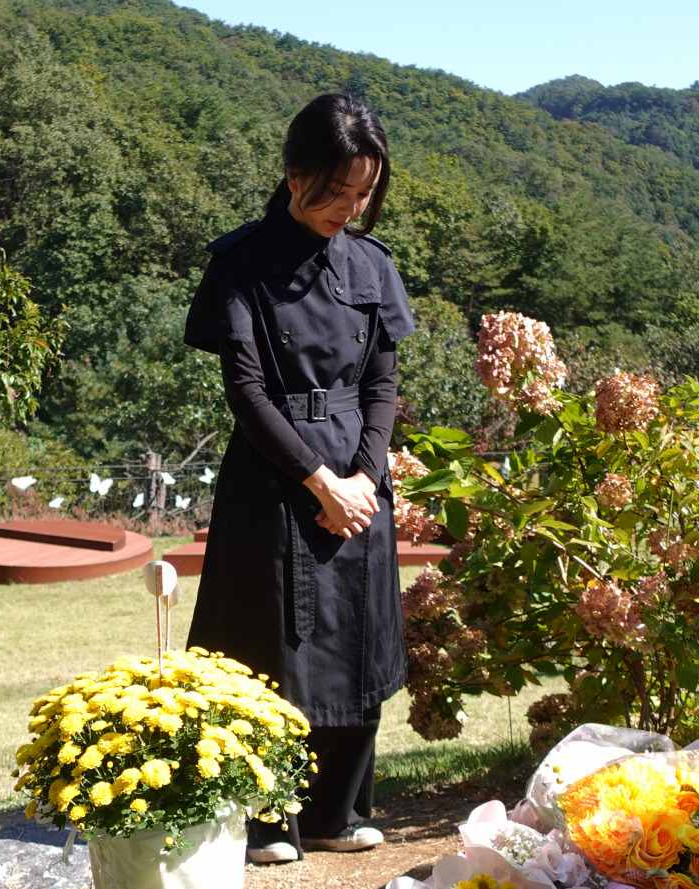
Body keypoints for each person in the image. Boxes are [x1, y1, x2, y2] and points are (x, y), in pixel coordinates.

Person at [183, 93, 413, 864]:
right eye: (337, 190)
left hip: (357, 472)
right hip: (276, 476)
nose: (350, 208)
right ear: (294, 176)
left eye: (364, 193)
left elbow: (382, 384)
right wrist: (320, 480)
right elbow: (247, 392)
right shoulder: (241, 263)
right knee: (271, 646)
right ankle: (265, 820)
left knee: (357, 640)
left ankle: (335, 813)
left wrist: (367, 477)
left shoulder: (373, 266)